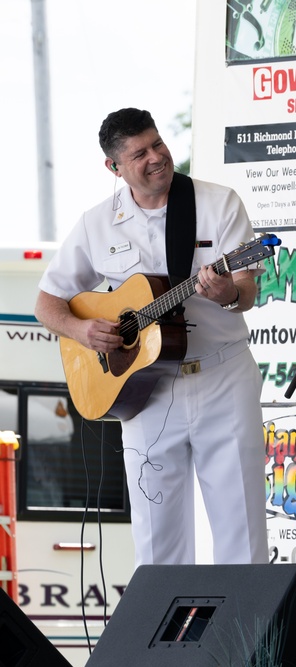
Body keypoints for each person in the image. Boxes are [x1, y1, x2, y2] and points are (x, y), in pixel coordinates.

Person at [35, 108, 267, 566]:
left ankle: (246, 637)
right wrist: (82, 329)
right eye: (139, 153)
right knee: (157, 538)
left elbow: (247, 293)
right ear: (115, 168)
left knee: (240, 525)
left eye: (158, 144)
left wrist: (226, 293)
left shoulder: (218, 203)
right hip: (144, 390)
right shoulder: (97, 223)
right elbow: (48, 304)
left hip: (222, 377)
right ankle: (169, 637)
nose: (157, 157)